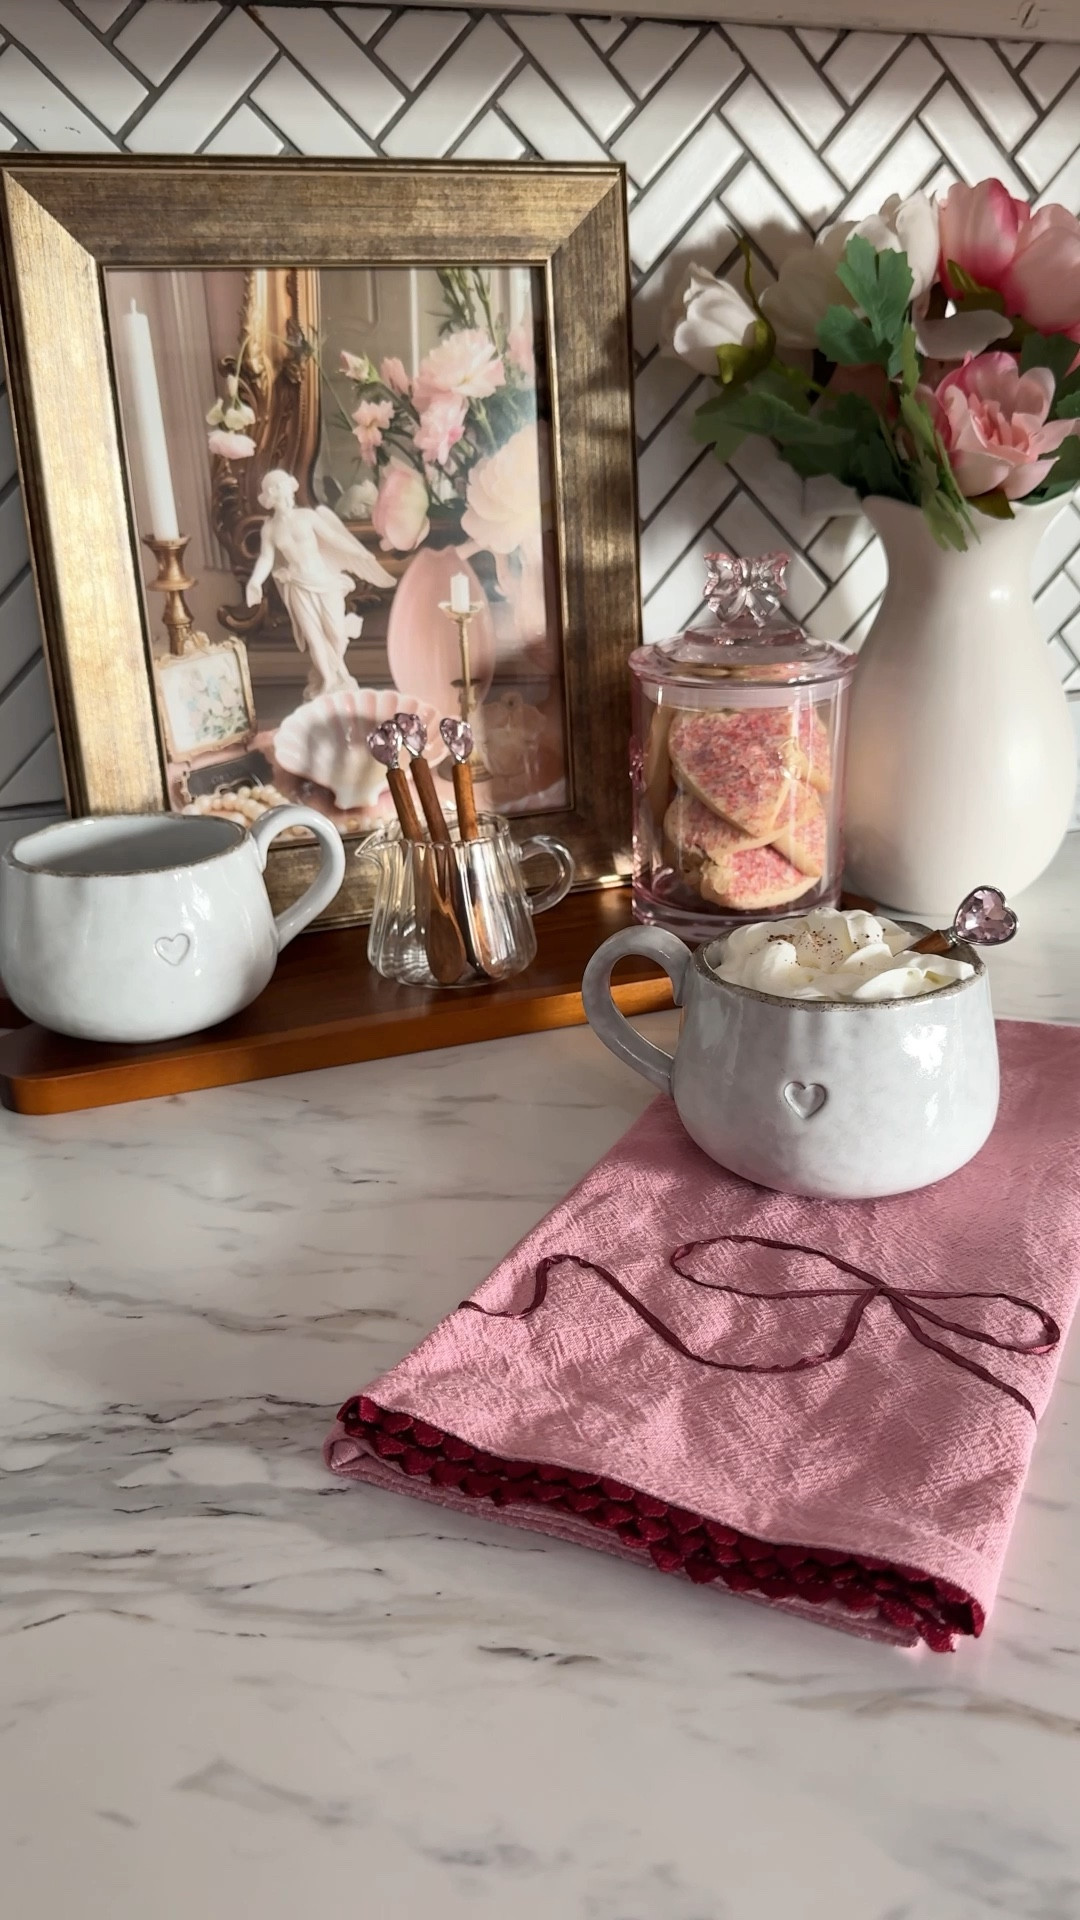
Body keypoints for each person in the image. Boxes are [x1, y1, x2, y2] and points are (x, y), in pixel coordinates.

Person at [245, 469, 395, 700]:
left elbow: (334, 538)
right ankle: (328, 681)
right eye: (283, 493)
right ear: (272, 497)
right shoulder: (270, 528)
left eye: (288, 491)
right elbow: (266, 558)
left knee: (335, 634)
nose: (288, 497)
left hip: (324, 581)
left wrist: (360, 553)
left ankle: (338, 671)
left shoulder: (307, 517)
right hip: (298, 586)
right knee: (314, 638)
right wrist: (254, 582)